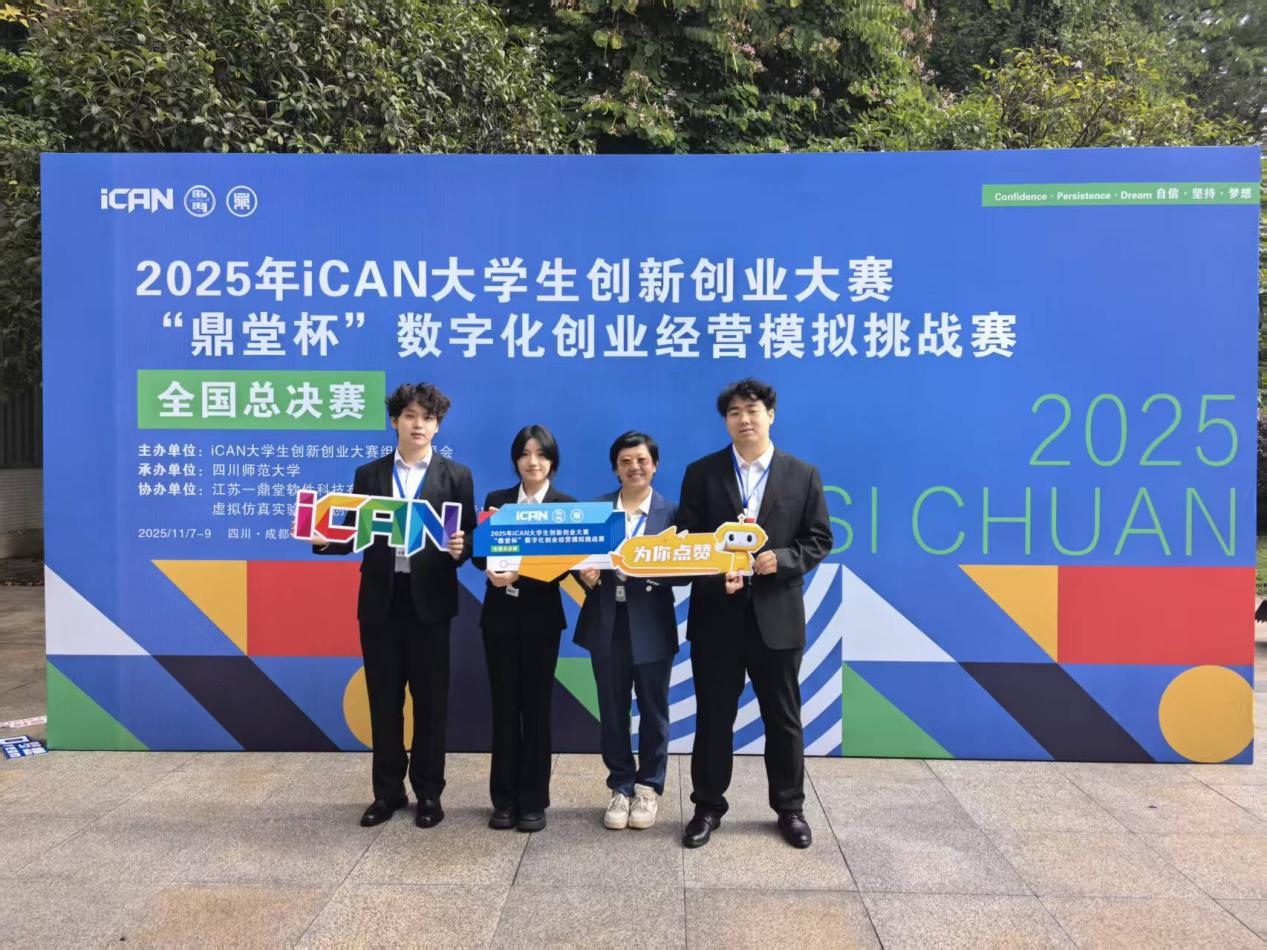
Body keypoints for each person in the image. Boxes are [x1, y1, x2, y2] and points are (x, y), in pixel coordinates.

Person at [676, 379, 832, 850]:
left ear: (771, 415)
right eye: (734, 413)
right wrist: (714, 574)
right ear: (726, 421)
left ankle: (790, 809)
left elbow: (819, 539)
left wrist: (781, 559)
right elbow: (687, 541)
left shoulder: (802, 474)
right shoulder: (702, 473)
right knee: (713, 717)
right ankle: (707, 806)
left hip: (776, 619)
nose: (744, 419)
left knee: (783, 718)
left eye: (753, 410)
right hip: (717, 617)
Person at [313, 382, 475, 829]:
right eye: (410, 415)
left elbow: (467, 539)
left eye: (427, 417)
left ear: (437, 425)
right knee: (383, 702)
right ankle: (387, 792)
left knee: (430, 703)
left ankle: (429, 792)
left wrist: (461, 547)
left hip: (431, 603)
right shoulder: (369, 474)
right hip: (381, 602)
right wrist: (323, 541)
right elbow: (353, 534)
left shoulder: (456, 476)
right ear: (395, 421)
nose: (418, 424)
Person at [575, 431, 680, 831]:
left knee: (654, 710)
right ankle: (620, 785)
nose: (634, 467)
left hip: (652, 624)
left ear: (655, 465)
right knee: (612, 710)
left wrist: (657, 569)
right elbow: (574, 557)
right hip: (607, 622)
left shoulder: (673, 514)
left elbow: (688, 571)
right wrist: (583, 575)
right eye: (625, 461)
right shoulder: (596, 510)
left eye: (642, 460)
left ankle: (648, 787)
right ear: (615, 468)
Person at [473, 425, 576, 833]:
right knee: (503, 707)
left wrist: (520, 571)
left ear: (552, 460)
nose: (533, 462)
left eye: (541, 454)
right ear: (516, 459)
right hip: (499, 616)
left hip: (541, 619)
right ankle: (503, 799)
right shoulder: (497, 500)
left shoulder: (564, 506)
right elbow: (479, 555)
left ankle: (533, 800)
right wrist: (491, 566)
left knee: (536, 709)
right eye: (525, 454)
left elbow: (565, 563)